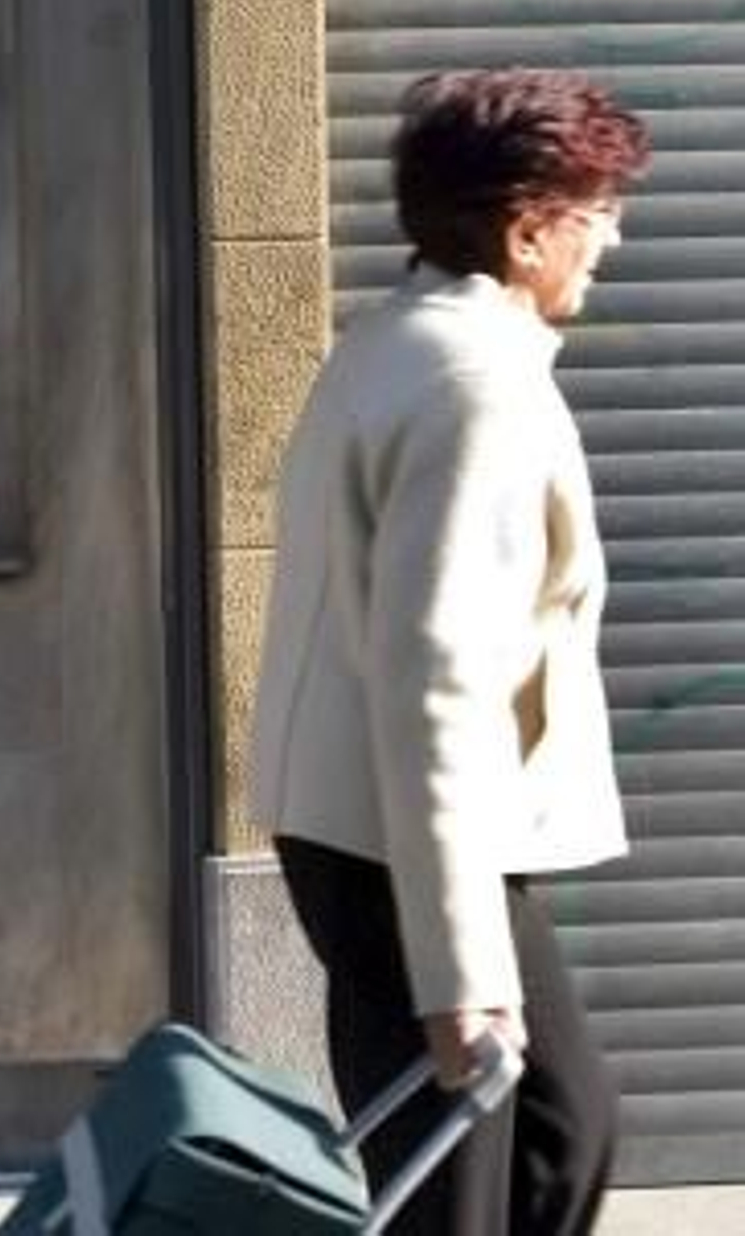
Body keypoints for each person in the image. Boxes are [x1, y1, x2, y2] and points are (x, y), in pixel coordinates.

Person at [249, 66, 651, 1236]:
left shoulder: (401, 336)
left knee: (548, 1133)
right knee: (480, 1172)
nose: (610, 234)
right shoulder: (477, 390)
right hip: (404, 836)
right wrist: (461, 979)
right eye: (595, 209)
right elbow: (435, 691)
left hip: (366, 829)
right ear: (529, 230)